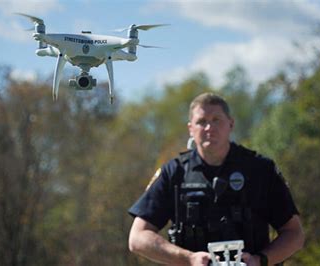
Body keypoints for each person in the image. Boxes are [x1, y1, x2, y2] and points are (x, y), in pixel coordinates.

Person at [128, 92, 304, 265]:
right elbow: (138, 237)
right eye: (201, 122)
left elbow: (294, 233)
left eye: (216, 120)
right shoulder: (174, 173)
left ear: (231, 124)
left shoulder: (260, 170)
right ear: (191, 128)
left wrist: (260, 260)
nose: (209, 128)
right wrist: (187, 258)